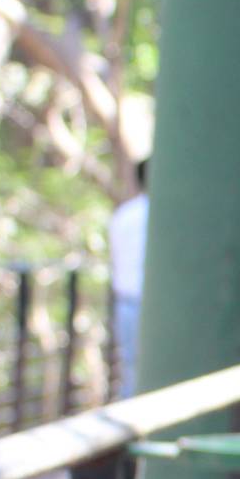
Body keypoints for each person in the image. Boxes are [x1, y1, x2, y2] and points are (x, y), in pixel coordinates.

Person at [107, 157, 149, 397]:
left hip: (125, 301)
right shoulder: (157, 216)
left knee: (130, 369)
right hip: (146, 302)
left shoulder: (123, 214)